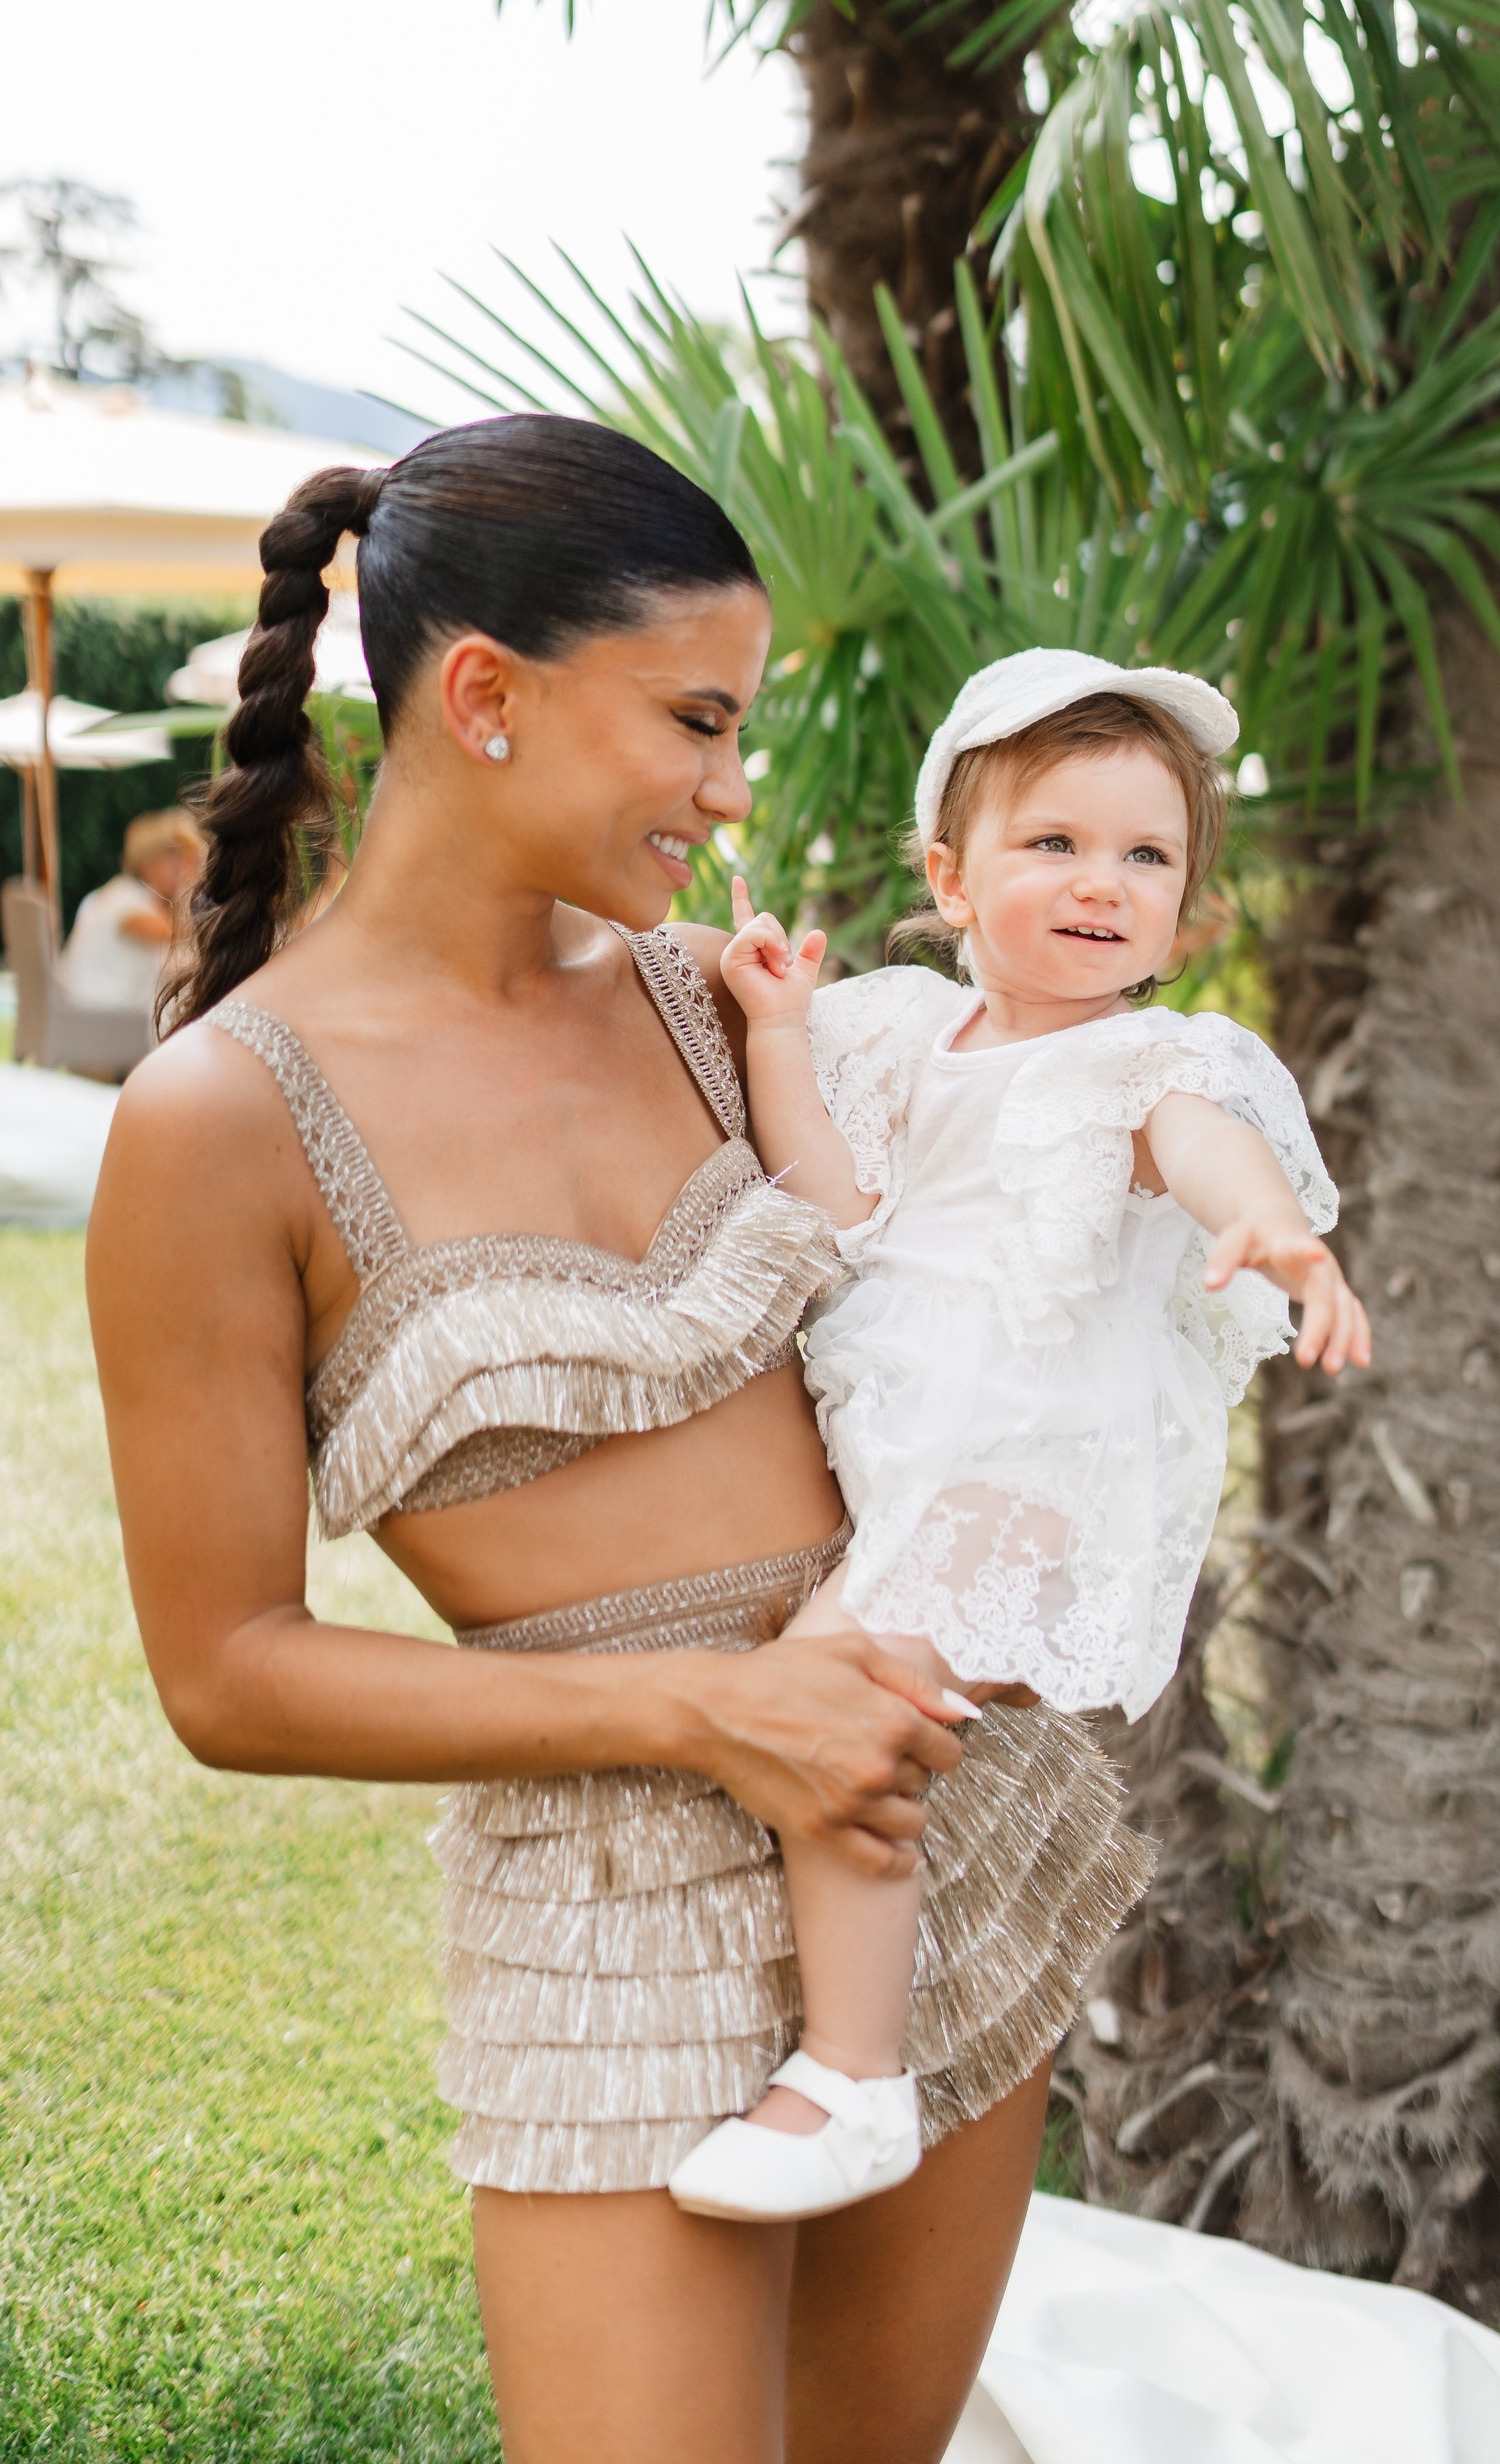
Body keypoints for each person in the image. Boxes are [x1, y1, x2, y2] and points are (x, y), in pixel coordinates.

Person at [85, 420, 1152, 2464]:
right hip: (611, 1906)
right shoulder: (227, 1120)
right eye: (695, 718)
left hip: (936, 1816)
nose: (734, 788)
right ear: (481, 692)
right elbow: (224, 1670)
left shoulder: (720, 1006)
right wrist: (721, 1713)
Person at [668, 655, 1372, 2226]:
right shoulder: (910, 1036)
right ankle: (865, 2041)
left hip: (1027, 1469)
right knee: (843, 1686)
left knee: (834, 1681)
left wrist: (1268, 1228)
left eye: (1145, 858)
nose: (1099, 885)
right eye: (1051, 844)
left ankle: (849, 2078)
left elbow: (1201, 1147)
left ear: (1185, 907)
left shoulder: (1141, 1064)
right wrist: (779, 1031)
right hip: (905, 1446)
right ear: (949, 876)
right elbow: (836, 1206)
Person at [60, 806, 203, 1013]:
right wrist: (190, 890)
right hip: (99, 1011)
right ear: (148, 861)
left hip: (94, 1006)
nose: (185, 868)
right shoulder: (127, 901)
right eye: (175, 859)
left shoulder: (121, 892)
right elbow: (178, 935)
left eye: (188, 859)